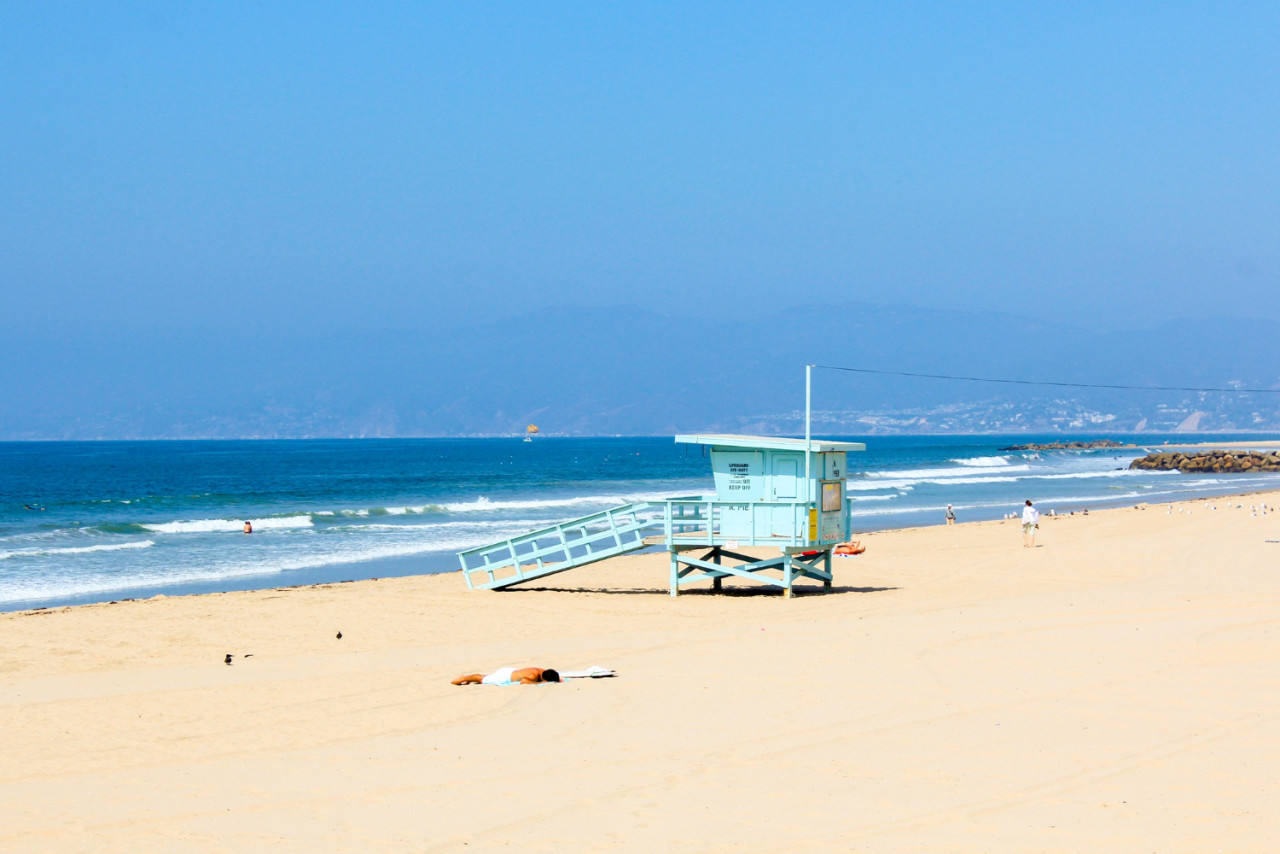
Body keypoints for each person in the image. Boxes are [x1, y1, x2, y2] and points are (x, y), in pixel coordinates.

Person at [452, 667, 560, 686]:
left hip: (512, 671)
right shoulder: (533, 675)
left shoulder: (542, 670)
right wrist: (540, 683)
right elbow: (524, 682)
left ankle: (466, 678)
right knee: (482, 679)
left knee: (487, 677)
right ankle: (464, 678)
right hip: (506, 676)